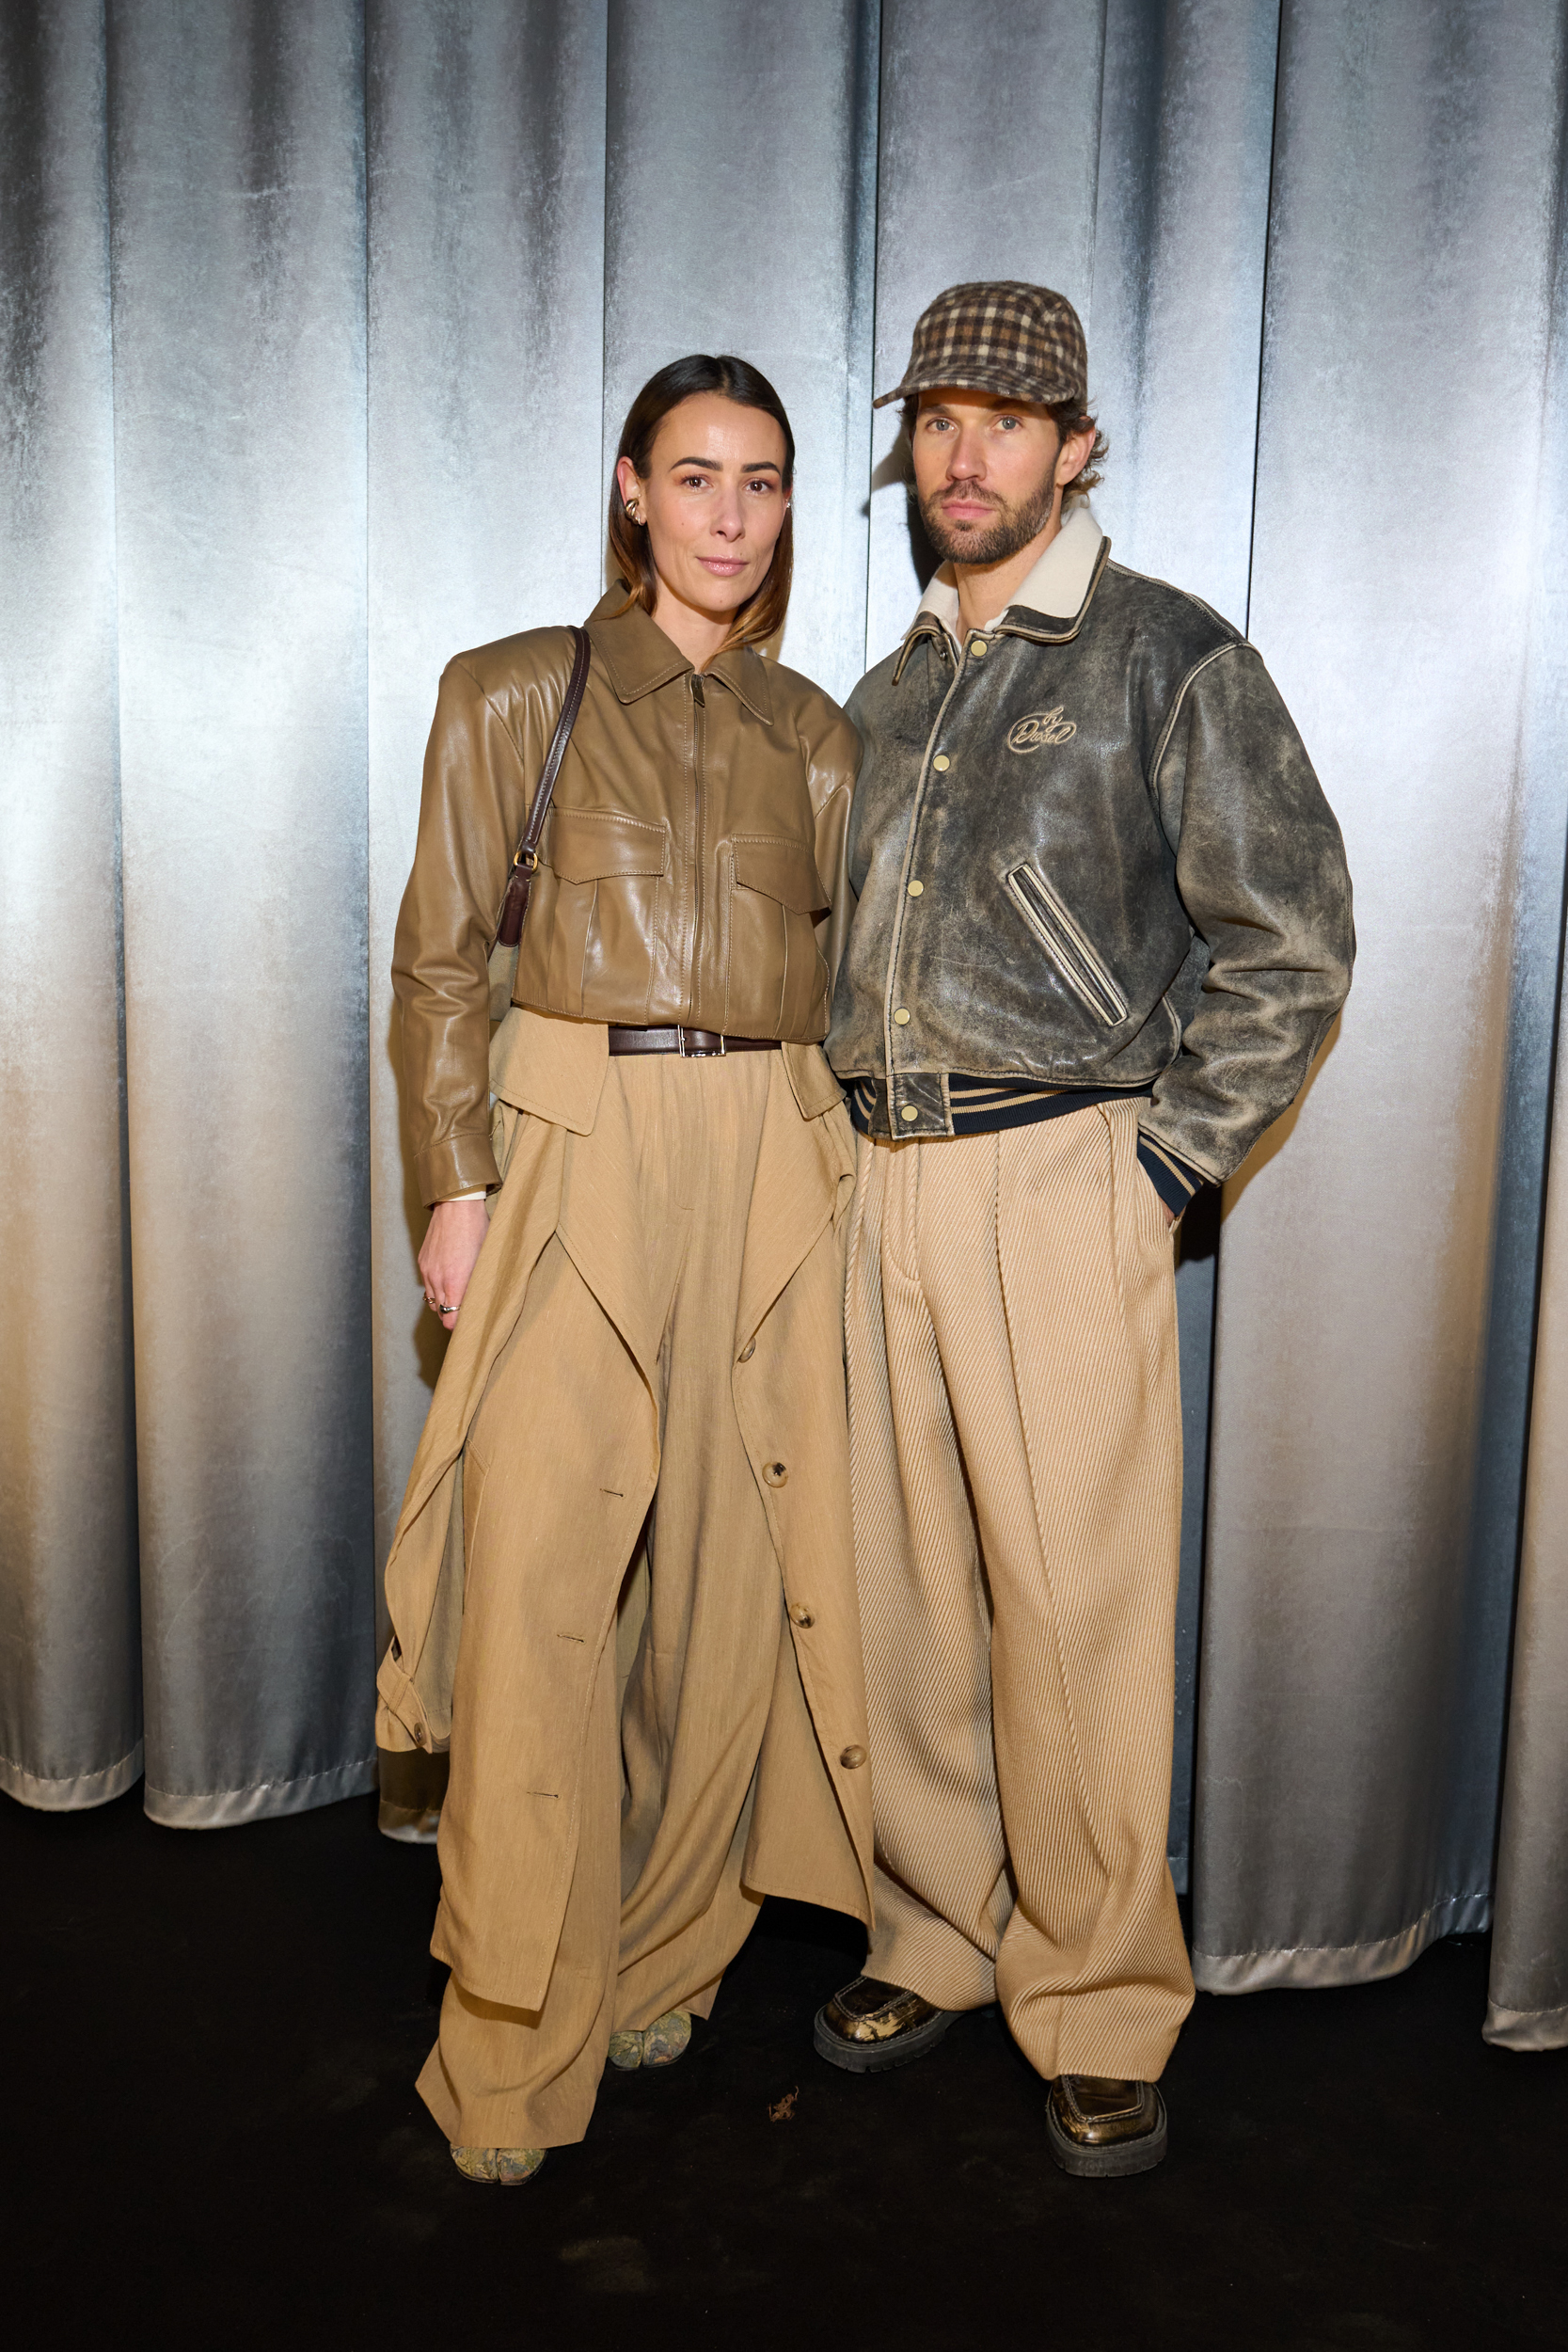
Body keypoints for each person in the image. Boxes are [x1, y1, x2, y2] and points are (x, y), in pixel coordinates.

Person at [816, 281, 1354, 2175]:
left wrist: (1160, 1166)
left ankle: (1105, 1997)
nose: (965, 455)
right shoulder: (885, 692)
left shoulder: (1167, 655)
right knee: (905, 1595)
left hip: (1058, 1174)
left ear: (1078, 446)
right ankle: (935, 1935)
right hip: (875, 1178)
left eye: (1007, 420)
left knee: (1075, 1611)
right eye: (937, 420)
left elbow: (1293, 941)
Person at [379, 355, 871, 2185]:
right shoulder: (513, 690)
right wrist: (455, 1180)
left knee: (732, 1601)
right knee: (535, 1592)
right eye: (698, 475)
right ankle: (514, 2030)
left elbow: (851, 989)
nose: (732, 515)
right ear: (632, 487)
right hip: (573, 1134)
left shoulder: (818, 735)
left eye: (765, 481)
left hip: (771, 1152)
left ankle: (666, 1959)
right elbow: (441, 961)